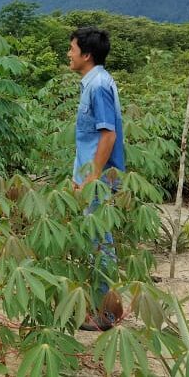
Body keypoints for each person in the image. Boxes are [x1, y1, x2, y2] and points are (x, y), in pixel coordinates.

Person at [67, 26, 125, 330]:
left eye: (72, 49)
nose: (69, 54)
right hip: (90, 174)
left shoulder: (98, 85)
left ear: (86, 55)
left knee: (100, 242)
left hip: (97, 179)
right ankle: (96, 305)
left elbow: (108, 135)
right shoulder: (94, 81)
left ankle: (106, 314)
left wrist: (92, 177)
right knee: (93, 242)